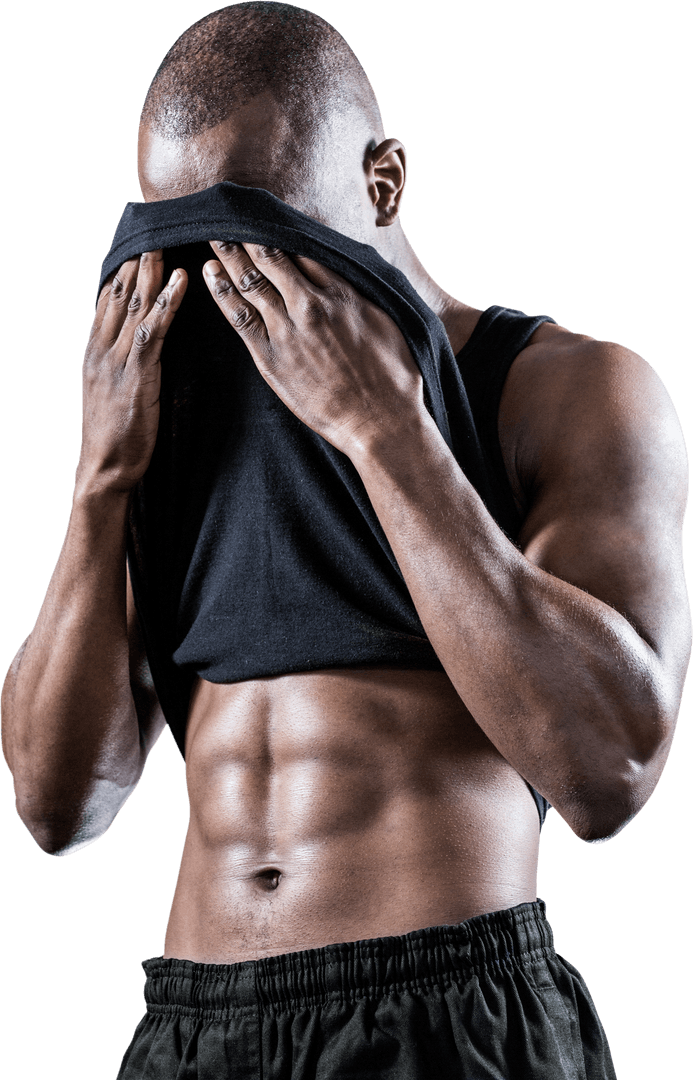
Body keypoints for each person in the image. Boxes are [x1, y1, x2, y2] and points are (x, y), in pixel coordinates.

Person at [2, 3, 689, 1078]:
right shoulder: (170, 420)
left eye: (257, 234)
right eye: (184, 244)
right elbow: (56, 807)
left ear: (382, 185)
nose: (222, 279)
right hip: (195, 1029)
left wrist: (384, 431)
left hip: (450, 1014)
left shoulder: (565, 392)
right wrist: (102, 479)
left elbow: (610, 770)